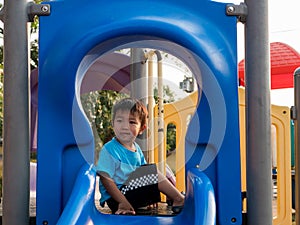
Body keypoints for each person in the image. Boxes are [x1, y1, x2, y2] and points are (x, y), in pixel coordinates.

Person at [95, 98, 185, 215]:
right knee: (151, 171)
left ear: (141, 128)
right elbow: (105, 178)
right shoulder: (110, 149)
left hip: (129, 193)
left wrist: (149, 196)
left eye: (131, 122)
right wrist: (122, 202)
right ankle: (178, 198)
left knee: (148, 170)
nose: (125, 126)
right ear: (113, 123)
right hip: (117, 198)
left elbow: (142, 177)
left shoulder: (136, 149)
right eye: (120, 121)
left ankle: (173, 198)